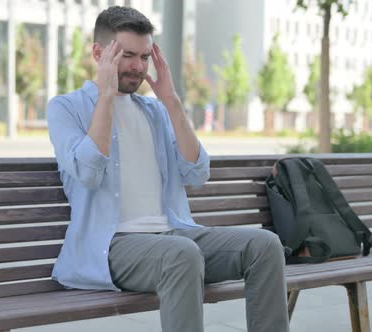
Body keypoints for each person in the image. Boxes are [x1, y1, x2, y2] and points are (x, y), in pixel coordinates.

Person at [47, 6, 289, 332]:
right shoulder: (66, 108)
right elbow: (88, 172)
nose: (138, 67)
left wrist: (171, 101)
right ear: (99, 53)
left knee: (264, 246)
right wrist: (106, 97)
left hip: (173, 234)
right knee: (181, 254)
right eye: (127, 55)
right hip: (110, 245)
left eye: (145, 57)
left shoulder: (154, 111)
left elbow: (197, 172)